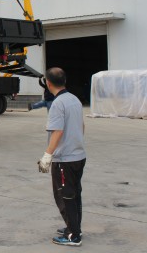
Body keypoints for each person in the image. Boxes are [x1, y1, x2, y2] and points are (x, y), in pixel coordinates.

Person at [37, 67, 86, 247]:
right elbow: (82, 126)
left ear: (48, 84)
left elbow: (57, 131)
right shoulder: (74, 99)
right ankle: (74, 227)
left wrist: (47, 155)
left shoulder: (58, 104)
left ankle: (73, 236)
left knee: (65, 197)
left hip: (65, 159)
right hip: (79, 156)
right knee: (75, 194)